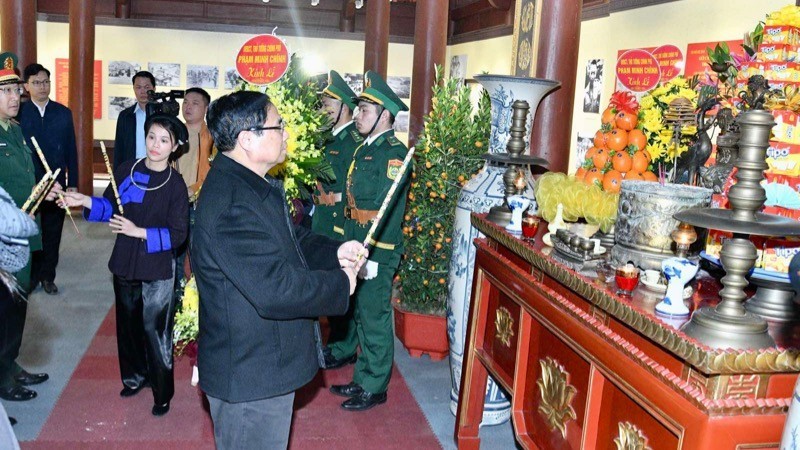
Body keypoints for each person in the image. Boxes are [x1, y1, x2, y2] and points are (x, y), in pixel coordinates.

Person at [192, 90, 365, 449]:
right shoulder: (230, 204)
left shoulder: (247, 184)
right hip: (249, 374)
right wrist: (339, 284)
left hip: (263, 363)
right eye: (278, 126)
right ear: (246, 139)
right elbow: (276, 290)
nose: (286, 133)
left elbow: (290, 240)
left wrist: (337, 253)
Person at [60, 114, 189, 417]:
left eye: (164, 140)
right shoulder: (126, 170)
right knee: (127, 326)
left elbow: (179, 234)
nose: (155, 145)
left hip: (157, 268)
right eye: (152, 137)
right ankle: (134, 377)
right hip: (125, 261)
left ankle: (161, 392)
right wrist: (84, 200)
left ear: (174, 147)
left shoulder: (175, 186)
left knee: (156, 332)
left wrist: (139, 231)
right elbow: (110, 207)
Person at [329, 71, 411, 412]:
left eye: (365, 109)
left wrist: (370, 252)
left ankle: (376, 385)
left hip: (376, 250)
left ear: (385, 116)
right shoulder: (366, 148)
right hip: (357, 246)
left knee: (375, 317)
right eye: (359, 108)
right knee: (360, 314)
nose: (359, 114)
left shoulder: (394, 153)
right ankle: (364, 377)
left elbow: (387, 207)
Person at [0, 52, 55, 403]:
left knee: (18, 307)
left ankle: (10, 364)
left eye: (15, 91)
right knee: (4, 311)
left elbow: (24, 178)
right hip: (4, 238)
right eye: (5, 92)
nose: (14, 98)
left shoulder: (15, 131)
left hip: (24, 233)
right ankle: (3, 379)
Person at [314, 70, 364, 370]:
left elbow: (351, 192)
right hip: (322, 221)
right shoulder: (328, 139)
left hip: (339, 226)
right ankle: (337, 342)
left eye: (329, 105)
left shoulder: (352, 143)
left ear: (346, 107)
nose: (323, 110)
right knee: (331, 287)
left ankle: (344, 347)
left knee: (343, 287)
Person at [18, 63, 78, 295]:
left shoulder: (63, 113)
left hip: (56, 183)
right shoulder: (20, 113)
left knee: (53, 232)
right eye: (37, 83)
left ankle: (48, 276)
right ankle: (32, 277)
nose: (43, 87)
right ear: (26, 86)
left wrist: (72, 182)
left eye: (46, 82)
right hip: (29, 183)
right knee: (31, 231)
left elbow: (71, 150)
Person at [173, 87, 213, 284]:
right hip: (173, 203)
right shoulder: (173, 133)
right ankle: (177, 297)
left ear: (206, 108)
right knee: (174, 256)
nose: (188, 107)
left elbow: (211, 174)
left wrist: (192, 189)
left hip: (197, 205)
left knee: (197, 256)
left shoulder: (212, 138)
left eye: (195, 103)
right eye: (186, 102)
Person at [113, 71, 155, 170]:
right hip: (131, 171)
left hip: (157, 171)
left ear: (154, 88)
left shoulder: (162, 116)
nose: (143, 91)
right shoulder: (125, 116)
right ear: (134, 89)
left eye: (147, 87)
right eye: (138, 87)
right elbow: (119, 149)